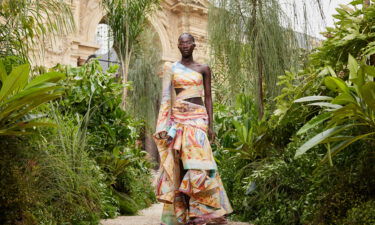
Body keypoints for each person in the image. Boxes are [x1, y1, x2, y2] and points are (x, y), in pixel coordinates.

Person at [153, 33, 233, 225]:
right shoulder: (171, 68)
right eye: (182, 42)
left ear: (194, 45)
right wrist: (163, 124)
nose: (185, 45)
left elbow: (208, 98)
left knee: (200, 164)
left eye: (188, 42)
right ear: (178, 46)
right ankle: (186, 213)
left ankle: (203, 213)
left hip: (198, 119)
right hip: (178, 119)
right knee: (181, 165)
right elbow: (165, 96)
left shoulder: (203, 68)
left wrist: (210, 124)